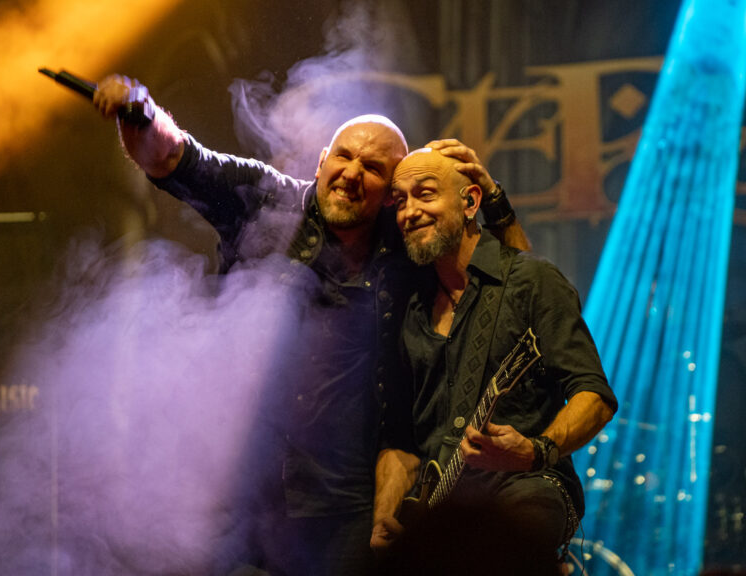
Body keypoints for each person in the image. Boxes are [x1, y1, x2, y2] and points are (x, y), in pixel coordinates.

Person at [91, 76, 529, 576]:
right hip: (240, 498)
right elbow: (175, 157)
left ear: (392, 195)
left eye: (372, 168)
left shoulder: (410, 243)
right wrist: (142, 113)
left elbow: (520, 291)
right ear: (322, 162)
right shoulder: (264, 201)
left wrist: (492, 199)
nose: (351, 173)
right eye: (343, 157)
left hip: (347, 507)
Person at [372, 147, 617, 574]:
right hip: (441, 507)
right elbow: (400, 442)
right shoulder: (407, 308)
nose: (410, 211)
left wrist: (536, 451)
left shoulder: (530, 281)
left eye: (425, 194)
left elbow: (594, 395)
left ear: (470, 202)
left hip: (526, 486)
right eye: (401, 200)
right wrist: (384, 517)